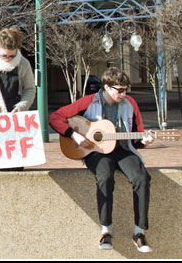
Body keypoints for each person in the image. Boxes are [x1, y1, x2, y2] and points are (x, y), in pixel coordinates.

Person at [49, 67, 154, 253]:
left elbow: (136, 137)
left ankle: (139, 232)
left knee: (141, 177)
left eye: (125, 89)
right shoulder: (89, 101)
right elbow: (56, 117)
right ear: (106, 87)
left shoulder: (131, 104)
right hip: (95, 151)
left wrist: (145, 141)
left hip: (122, 149)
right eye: (119, 90)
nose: (123, 93)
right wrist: (73, 135)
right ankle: (106, 230)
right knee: (105, 176)